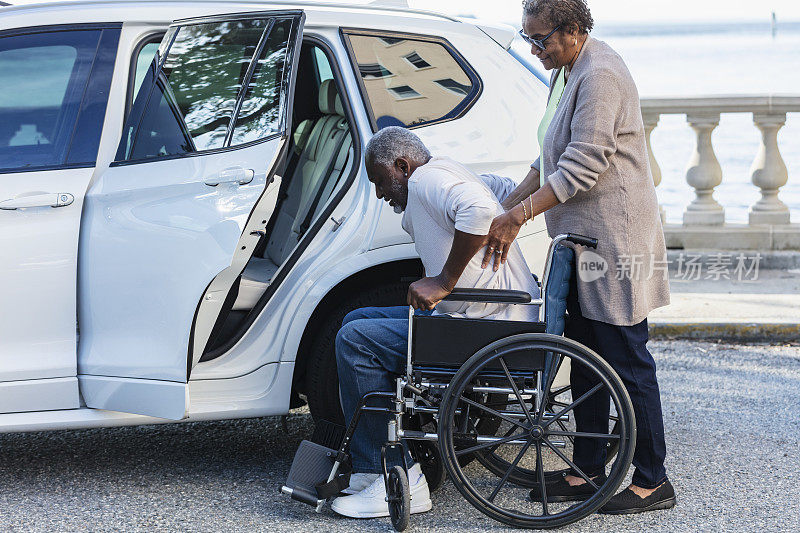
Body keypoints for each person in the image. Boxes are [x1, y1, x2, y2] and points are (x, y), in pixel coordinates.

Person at [479, 0, 675, 515]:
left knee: (626, 359)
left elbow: (582, 165)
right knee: (586, 356)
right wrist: (501, 208)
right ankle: (589, 470)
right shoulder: (565, 70)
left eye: (539, 39)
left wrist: (519, 215)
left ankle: (653, 480)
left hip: (616, 241)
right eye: (528, 39)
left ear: (572, 31)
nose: (534, 49)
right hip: (583, 240)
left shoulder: (602, 72)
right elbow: (548, 157)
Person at [331, 126, 540, 519]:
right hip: (483, 318)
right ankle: (366, 466)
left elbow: (477, 210)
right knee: (355, 320)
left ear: (402, 165)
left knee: (356, 340)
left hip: (482, 327)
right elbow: (499, 188)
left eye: (379, 180)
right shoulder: (444, 170)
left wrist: (445, 280)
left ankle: (396, 475)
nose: (379, 194)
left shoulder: (426, 178)